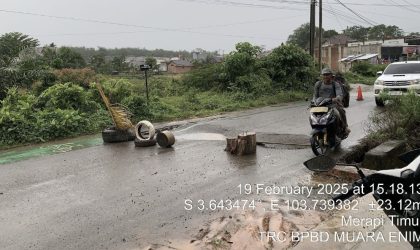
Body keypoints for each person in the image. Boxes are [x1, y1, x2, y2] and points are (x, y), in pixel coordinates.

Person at [313, 68, 350, 137]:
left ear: (331, 76)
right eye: (324, 75)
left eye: (327, 75)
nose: (325, 76)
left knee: (340, 111)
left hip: (333, 104)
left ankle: (345, 128)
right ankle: (317, 128)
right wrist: (314, 102)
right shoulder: (318, 84)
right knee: (313, 114)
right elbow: (315, 95)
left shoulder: (335, 84)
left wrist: (337, 98)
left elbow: (339, 94)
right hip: (320, 105)